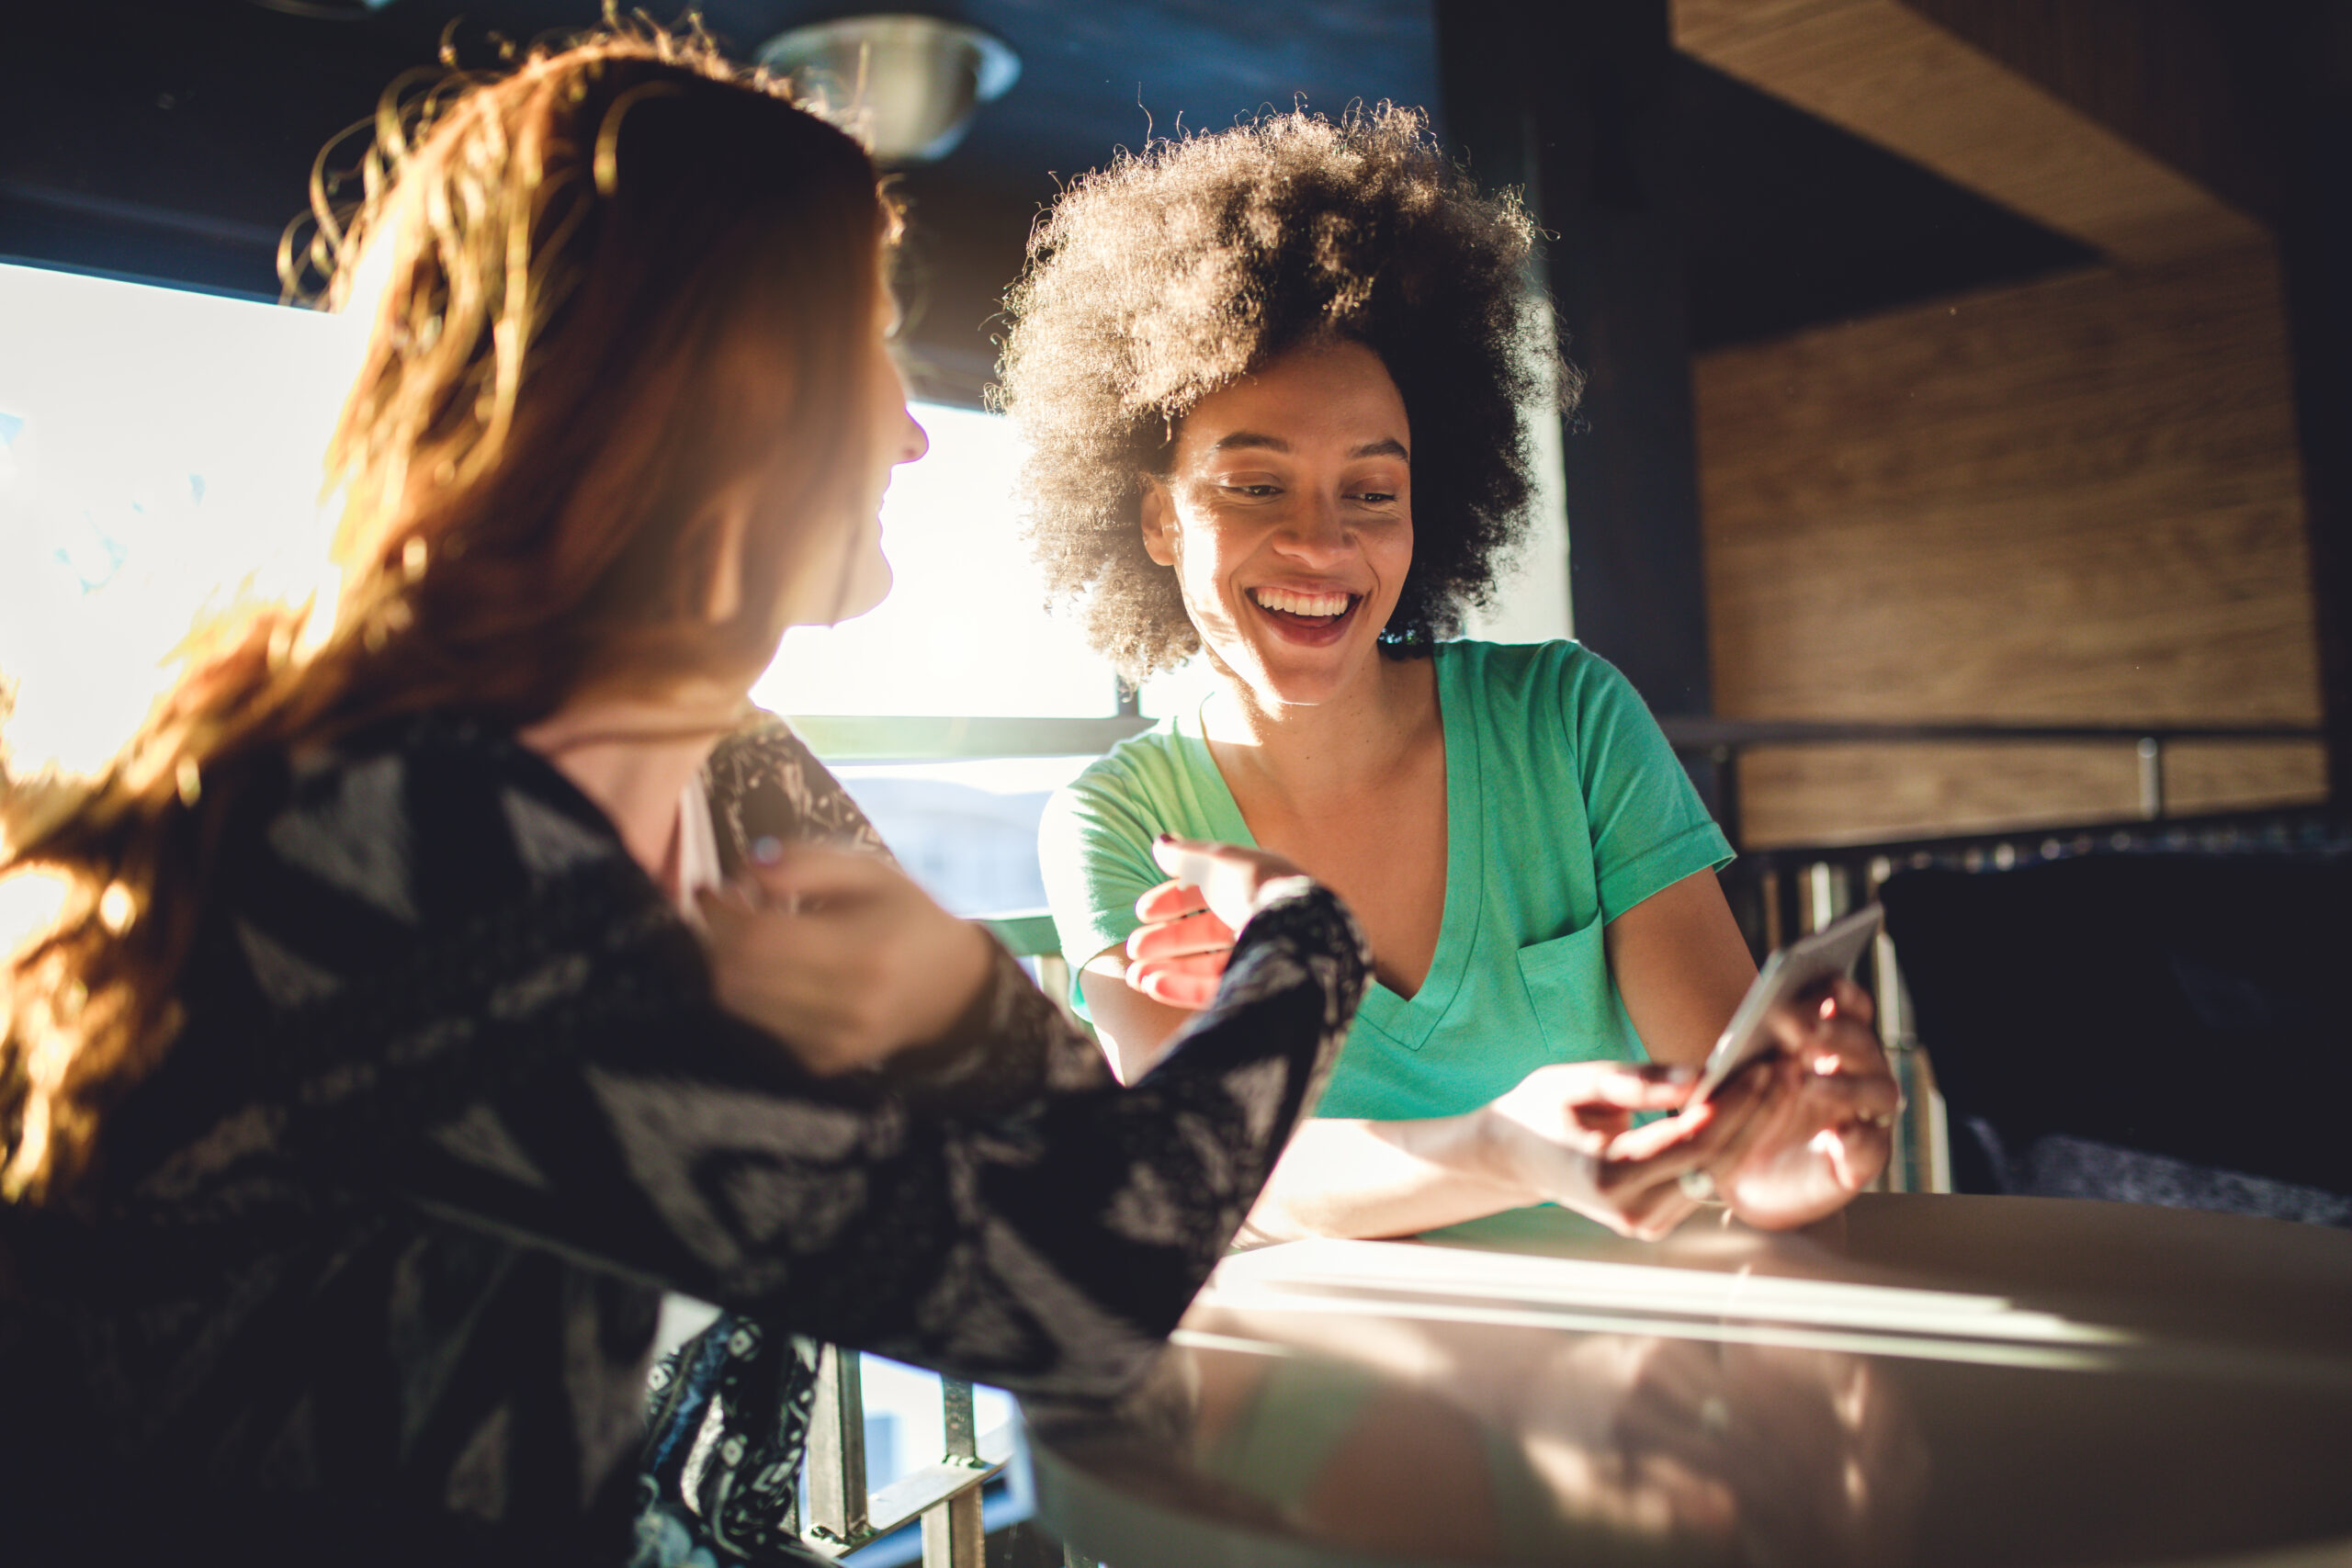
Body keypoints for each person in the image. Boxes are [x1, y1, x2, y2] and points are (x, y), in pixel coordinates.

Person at [0, 31, 1366, 1565]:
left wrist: (957, 1003)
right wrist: (1308, 932)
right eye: (869, 342)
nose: (911, 428)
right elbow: (1083, 1293)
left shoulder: (733, 761)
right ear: (726, 390)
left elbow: (1071, 1179)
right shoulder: (403, 840)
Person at [1003, 106, 1898, 1245]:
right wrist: (1503, 1147)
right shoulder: (1119, 822)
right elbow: (1214, 1171)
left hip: (1627, 1386)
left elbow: (1725, 1138)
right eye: (1254, 486)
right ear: (1156, 520)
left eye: (1370, 492)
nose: (1323, 546)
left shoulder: (1568, 725)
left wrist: (1798, 1156)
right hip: (1316, 1398)